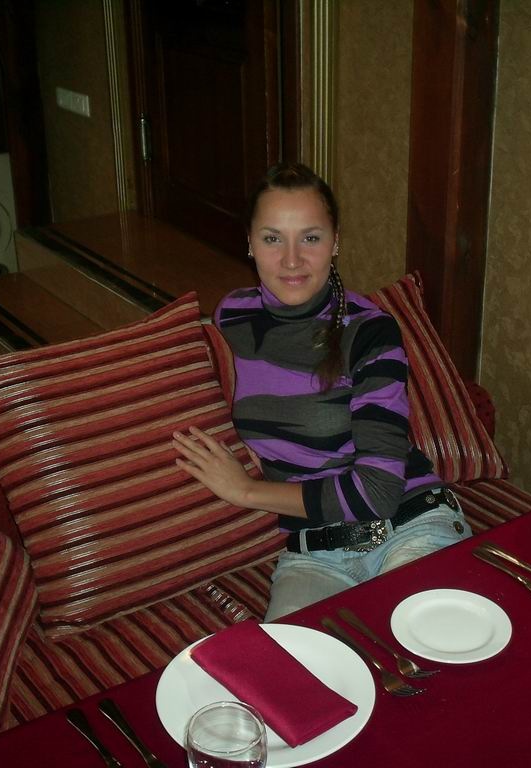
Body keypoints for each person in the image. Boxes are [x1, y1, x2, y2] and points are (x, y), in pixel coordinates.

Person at [172, 162, 471, 621]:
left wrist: (247, 491)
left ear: (335, 243)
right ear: (249, 243)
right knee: (288, 665)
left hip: (410, 527)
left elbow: (379, 492)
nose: (291, 260)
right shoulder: (234, 315)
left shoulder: (369, 332)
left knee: (417, 644)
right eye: (273, 238)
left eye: (310, 238)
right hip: (314, 554)